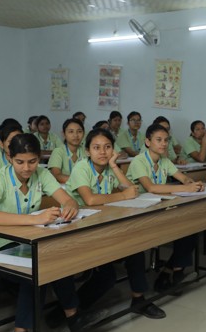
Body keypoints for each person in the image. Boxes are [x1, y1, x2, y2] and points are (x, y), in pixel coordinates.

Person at [0, 134, 106, 332]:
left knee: (54, 259)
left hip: (24, 242)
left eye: (32, 161)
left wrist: (70, 207)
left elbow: (68, 198)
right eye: (20, 162)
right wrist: (36, 218)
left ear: (39, 159)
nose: (26, 168)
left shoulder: (42, 174)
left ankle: (73, 317)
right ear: (9, 158)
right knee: (38, 269)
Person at [67, 128, 166, 319]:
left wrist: (114, 166)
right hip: (80, 229)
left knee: (135, 249)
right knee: (108, 275)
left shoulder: (108, 168)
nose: (103, 152)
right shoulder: (82, 167)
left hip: (104, 224)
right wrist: (122, 195)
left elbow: (132, 190)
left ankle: (139, 299)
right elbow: (90, 200)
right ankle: (70, 312)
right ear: (87, 151)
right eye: (96, 148)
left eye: (107, 147)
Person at [127, 123, 205, 291]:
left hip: (158, 207)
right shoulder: (139, 161)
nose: (163, 144)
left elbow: (182, 178)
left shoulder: (165, 160)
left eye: (166, 140)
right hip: (138, 212)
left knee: (190, 230)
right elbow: (151, 188)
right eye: (158, 140)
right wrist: (185, 188)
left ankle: (172, 272)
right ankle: (169, 276)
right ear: (147, 142)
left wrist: (192, 183)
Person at [48, 119, 86, 183]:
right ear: (64, 134)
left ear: (83, 133)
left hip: (84, 188)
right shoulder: (58, 151)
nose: (75, 135)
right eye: (71, 132)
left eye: (79, 131)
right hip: (63, 189)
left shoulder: (86, 151)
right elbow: (56, 175)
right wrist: (81, 181)